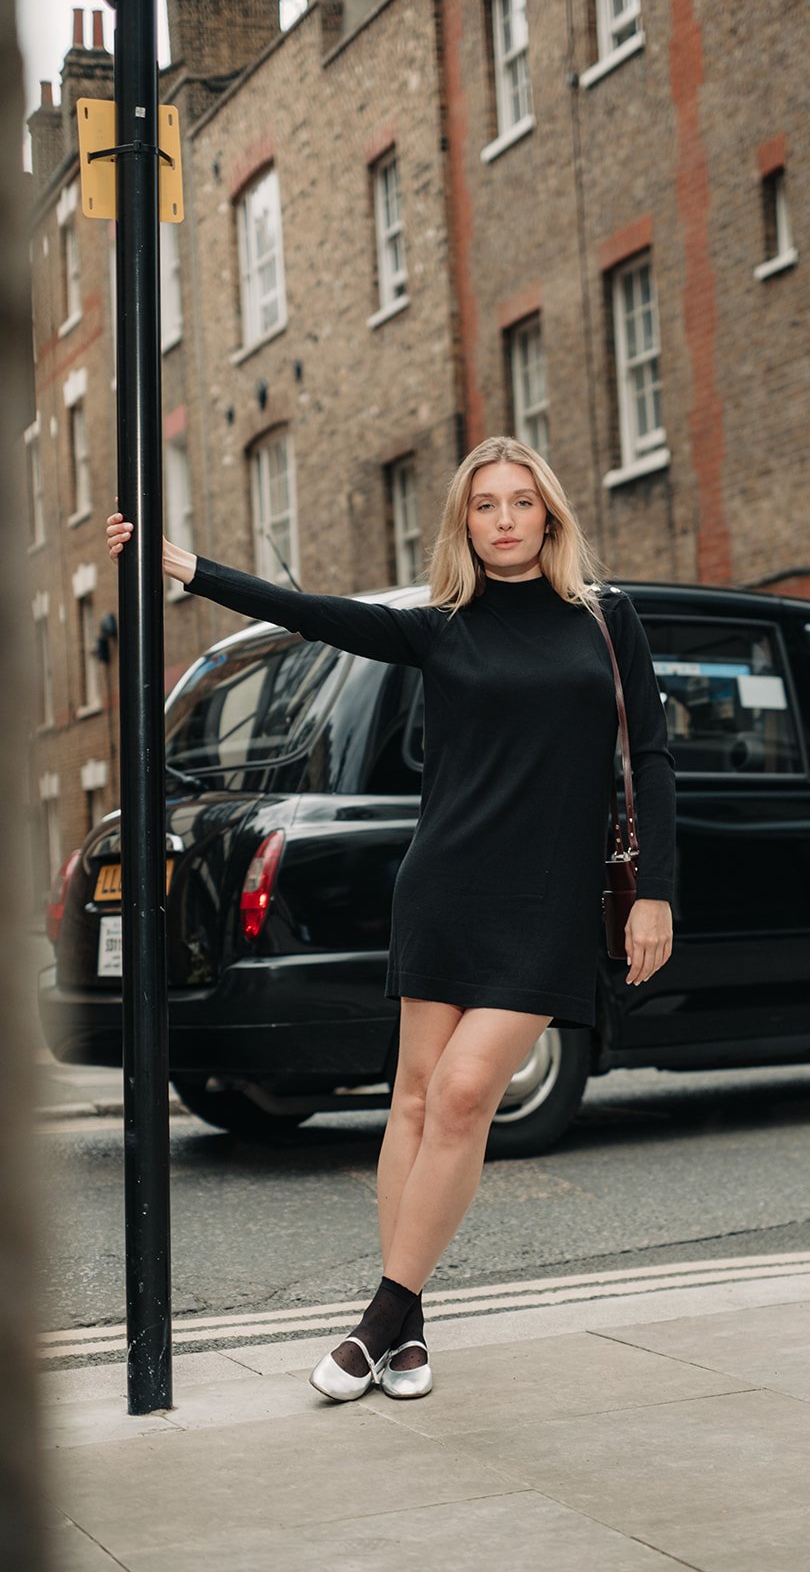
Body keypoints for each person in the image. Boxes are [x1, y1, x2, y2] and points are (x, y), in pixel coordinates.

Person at [106, 435, 675, 1402]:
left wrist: (654, 891)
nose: (503, 519)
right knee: (413, 1101)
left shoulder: (605, 619)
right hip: (445, 887)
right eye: (484, 504)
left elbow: (652, 757)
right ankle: (408, 1335)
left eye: (520, 502)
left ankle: (375, 1319)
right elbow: (308, 614)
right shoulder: (440, 624)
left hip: (546, 902)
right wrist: (186, 566)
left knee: (461, 1098)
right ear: (463, 522)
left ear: (549, 514)